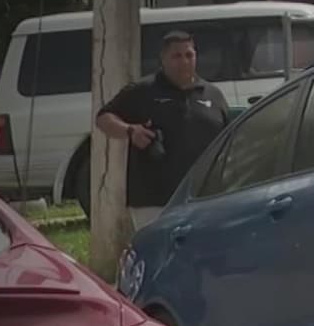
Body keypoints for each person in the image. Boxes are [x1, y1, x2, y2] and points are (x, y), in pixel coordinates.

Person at [95, 30, 230, 229]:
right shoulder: (142, 91)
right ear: (163, 59)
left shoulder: (213, 94)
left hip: (203, 198)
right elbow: (104, 119)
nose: (184, 61)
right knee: (160, 257)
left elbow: (228, 140)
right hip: (155, 201)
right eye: (177, 56)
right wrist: (130, 130)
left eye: (189, 55)